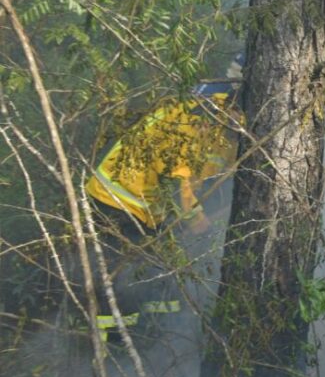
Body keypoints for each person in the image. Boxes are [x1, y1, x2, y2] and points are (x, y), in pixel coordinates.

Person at [84, 53, 244, 340]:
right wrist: (197, 221)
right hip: (117, 197)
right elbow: (182, 180)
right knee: (123, 278)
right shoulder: (201, 114)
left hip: (146, 202)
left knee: (159, 275)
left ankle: (157, 342)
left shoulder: (224, 112)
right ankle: (113, 350)